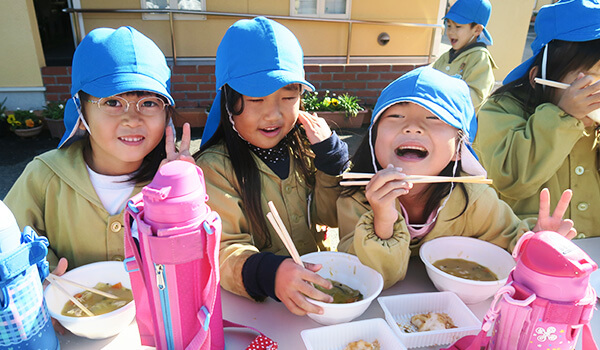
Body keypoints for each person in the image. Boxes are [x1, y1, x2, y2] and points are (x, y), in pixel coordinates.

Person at [336, 66, 575, 289]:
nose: (412, 128)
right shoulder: (357, 197)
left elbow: (511, 245)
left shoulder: (474, 200)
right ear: (373, 137)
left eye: (434, 118)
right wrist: (383, 220)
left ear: (459, 149)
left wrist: (538, 242)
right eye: (396, 116)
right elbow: (359, 278)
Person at [193, 17, 349, 316]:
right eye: (256, 98)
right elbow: (223, 250)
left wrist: (331, 165)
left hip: (317, 291)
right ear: (228, 100)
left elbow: (329, 217)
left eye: (288, 97)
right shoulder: (214, 167)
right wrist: (270, 275)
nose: (273, 114)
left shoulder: (303, 148)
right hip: (260, 308)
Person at [4, 26, 190, 272]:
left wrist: (183, 193)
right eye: (112, 102)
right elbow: (8, 246)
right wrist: (42, 275)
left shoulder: (180, 177)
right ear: (80, 112)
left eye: (149, 103)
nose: (132, 119)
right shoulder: (43, 176)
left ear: (167, 113)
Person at [474, 0, 600, 238]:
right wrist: (563, 118)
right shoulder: (501, 110)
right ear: (539, 76)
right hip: (526, 250)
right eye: (589, 81)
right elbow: (511, 179)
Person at [432, 0, 497, 112]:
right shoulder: (446, 57)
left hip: (460, 124)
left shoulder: (480, 58)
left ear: (476, 30)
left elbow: (476, 96)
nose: (451, 32)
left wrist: (442, 97)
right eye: (449, 25)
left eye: (458, 26)